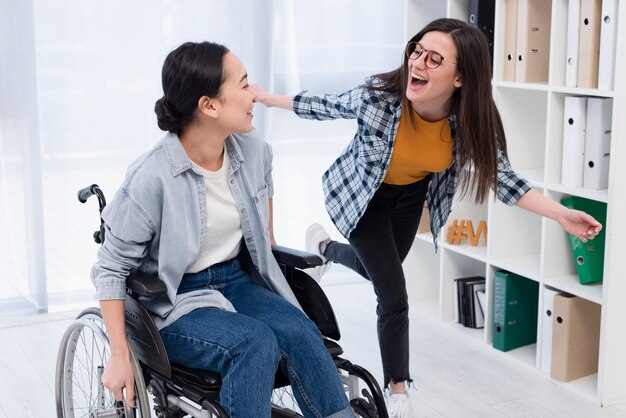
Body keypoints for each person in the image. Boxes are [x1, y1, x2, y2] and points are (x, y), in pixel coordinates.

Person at [250, 18, 602, 418]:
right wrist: (268, 98)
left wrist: (560, 215)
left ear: (460, 78)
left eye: (435, 59)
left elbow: (505, 180)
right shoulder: (378, 99)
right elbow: (326, 105)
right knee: (394, 295)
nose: (418, 63)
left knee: (381, 273)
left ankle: (325, 248)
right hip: (363, 197)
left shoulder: (467, 124)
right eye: (417, 50)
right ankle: (397, 387)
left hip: (408, 199)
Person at [90, 41, 355, 418]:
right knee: (253, 342)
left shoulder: (255, 152)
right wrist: (119, 354)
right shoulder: (152, 176)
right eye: (244, 85)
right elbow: (110, 269)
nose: (254, 95)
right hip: (173, 300)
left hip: (236, 281)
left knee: (300, 331)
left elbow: (265, 236)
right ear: (209, 106)